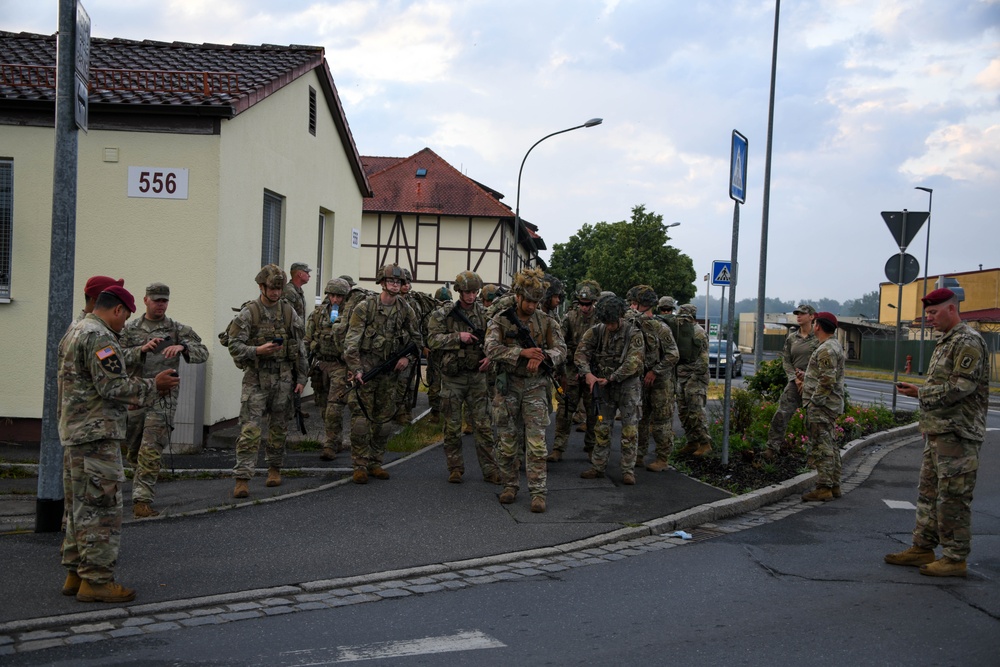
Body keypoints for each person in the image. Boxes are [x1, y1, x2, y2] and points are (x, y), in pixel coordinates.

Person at [58, 285, 179, 603]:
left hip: (75, 433)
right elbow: (114, 386)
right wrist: (156, 385)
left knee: (78, 509)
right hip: (97, 434)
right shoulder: (99, 336)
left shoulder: (76, 329)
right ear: (117, 310)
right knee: (102, 509)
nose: (125, 324)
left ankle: (76, 573)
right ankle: (96, 580)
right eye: (124, 317)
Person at [886, 288, 989, 578]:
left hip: (958, 435)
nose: (928, 318)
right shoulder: (946, 341)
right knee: (929, 494)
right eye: (927, 313)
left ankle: (955, 558)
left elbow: (961, 387)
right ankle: (922, 547)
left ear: (952, 309)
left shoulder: (968, 341)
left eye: (933, 313)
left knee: (953, 498)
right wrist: (928, 421)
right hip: (939, 432)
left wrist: (920, 393)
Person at [121, 283, 209, 518]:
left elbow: (203, 351)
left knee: (151, 448)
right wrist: (140, 349)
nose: (161, 304)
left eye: (164, 301)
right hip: (135, 396)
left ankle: (142, 500)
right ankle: (141, 479)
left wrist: (183, 347)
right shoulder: (129, 330)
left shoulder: (176, 329)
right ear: (145, 300)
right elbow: (114, 357)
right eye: (156, 300)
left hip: (163, 398)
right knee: (132, 450)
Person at [485, 268, 566, 513]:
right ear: (518, 297)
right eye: (528, 300)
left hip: (536, 386)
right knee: (507, 441)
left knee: (536, 444)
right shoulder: (501, 319)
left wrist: (541, 356)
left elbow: (561, 350)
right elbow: (489, 348)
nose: (532, 306)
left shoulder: (547, 322)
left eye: (536, 301)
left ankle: (538, 492)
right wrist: (520, 352)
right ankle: (510, 486)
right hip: (508, 385)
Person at [224, 265, 307, 498]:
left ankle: (274, 469)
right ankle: (242, 478)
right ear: (261, 286)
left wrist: (301, 377)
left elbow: (301, 348)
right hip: (256, 379)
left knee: (279, 429)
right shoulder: (249, 313)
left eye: (279, 288)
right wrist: (257, 350)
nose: (276, 292)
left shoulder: (289, 312)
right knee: (250, 430)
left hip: (283, 379)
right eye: (271, 288)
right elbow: (234, 346)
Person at [344, 264, 422, 484]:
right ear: (382, 282)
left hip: (389, 377)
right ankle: (359, 464)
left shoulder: (406, 309)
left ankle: (375, 462)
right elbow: (351, 341)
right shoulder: (365, 308)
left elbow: (417, 340)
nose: (396, 285)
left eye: (399, 282)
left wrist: (407, 358)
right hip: (366, 373)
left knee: (383, 423)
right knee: (360, 422)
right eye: (391, 281)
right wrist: (356, 369)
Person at [426, 271, 501, 484]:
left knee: (484, 427)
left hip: (477, 377)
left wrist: (490, 358)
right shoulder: (445, 314)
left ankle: (490, 470)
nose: (471, 296)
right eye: (467, 292)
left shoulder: (485, 315)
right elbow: (432, 340)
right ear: (459, 291)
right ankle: (455, 468)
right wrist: (458, 337)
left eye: (475, 292)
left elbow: (495, 341)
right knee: (452, 426)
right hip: (452, 377)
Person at [575, 294, 645, 484]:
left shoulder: (633, 333)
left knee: (629, 429)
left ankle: (628, 470)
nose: (610, 327)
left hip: (627, 386)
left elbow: (634, 362)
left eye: (613, 323)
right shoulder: (596, 331)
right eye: (607, 323)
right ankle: (598, 466)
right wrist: (587, 374)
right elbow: (580, 353)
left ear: (620, 317)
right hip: (603, 386)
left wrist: (612, 377)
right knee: (602, 427)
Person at [549, 280, 601, 462]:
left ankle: (591, 447)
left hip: (592, 373)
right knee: (564, 412)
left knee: (593, 412)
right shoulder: (569, 317)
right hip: (571, 371)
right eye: (581, 304)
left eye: (588, 304)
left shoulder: (599, 320)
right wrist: (564, 366)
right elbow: (559, 344)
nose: (585, 308)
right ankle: (558, 448)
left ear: (594, 302)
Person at [630, 285, 680, 471]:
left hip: (661, 382)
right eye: (632, 303)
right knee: (640, 420)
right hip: (641, 380)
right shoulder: (633, 325)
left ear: (646, 305)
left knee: (661, 421)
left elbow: (673, 355)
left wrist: (655, 371)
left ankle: (662, 458)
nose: (632, 307)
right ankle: (639, 455)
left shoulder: (661, 328)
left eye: (635, 304)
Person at [799, 312, 845, 502]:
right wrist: (807, 377)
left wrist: (814, 401)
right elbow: (824, 375)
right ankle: (833, 484)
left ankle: (824, 486)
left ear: (817, 326)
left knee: (821, 446)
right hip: (829, 403)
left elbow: (827, 380)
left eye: (815, 322)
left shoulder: (826, 349)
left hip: (822, 405)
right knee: (830, 444)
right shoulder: (833, 345)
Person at [305, 277, 352, 461]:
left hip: (339, 365)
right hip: (321, 364)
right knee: (324, 408)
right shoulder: (317, 315)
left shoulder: (351, 316)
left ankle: (330, 444)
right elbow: (306, 340)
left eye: (339, 296)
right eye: (332, 295)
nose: (335, 300)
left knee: (335, 407)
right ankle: (337, 439)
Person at [764, 304, 819, 458]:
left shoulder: (818, 337)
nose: (799, 316)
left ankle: (814, 455)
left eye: (802, 313)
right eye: (797, 314)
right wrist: (795, 379)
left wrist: (807, 378)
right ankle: (772, 448)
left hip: (814, 384)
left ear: (812, 316)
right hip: (795, 382)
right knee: (781, 414)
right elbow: (786, 360)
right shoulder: (792, 338)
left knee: (813, 419)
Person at [674, 304, 713, 457]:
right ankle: (692, 441)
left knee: (696, 411)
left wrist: (694, 378)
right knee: (683, 411)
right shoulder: (681, 332)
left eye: (684, 319)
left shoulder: (698, 333)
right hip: (682, 376)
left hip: (696, 377)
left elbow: (703, 360)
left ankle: (705, 443)